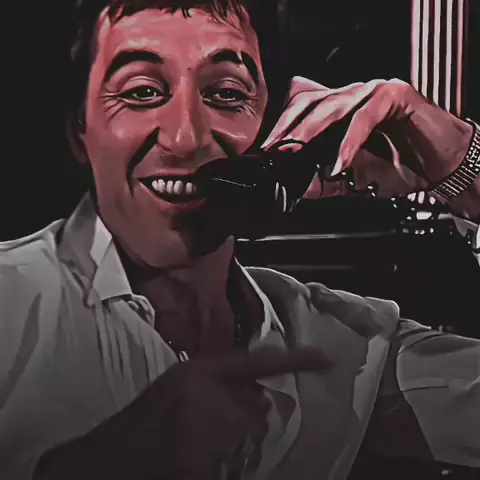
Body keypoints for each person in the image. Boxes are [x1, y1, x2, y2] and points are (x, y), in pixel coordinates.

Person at [0, 1, 479, 479]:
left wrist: (461, 165)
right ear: (79, 130)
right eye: (142, 92)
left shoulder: (345, 346)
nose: (185, 140)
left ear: (272, 127)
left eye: (227, 94)